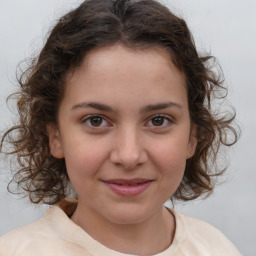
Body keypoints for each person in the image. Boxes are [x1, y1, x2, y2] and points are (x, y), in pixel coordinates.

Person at [0, 0, 242, 255]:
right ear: (55, 136)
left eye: (158, 120)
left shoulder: (218, 248)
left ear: (193, 135)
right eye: (96, 120)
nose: (129, 156)